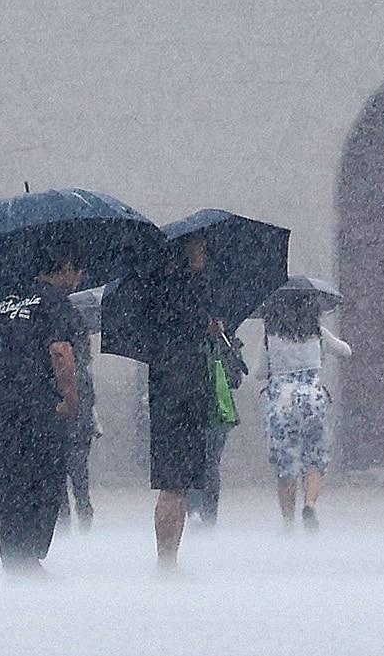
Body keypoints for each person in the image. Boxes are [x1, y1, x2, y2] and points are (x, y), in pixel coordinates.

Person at [0, 247, 84, 573]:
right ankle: (31, 557)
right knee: (43, 485)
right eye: (78, 270)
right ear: (65, 265)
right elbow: (61, 352)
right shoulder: (57, 303)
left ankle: (14, 560)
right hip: (41, 413)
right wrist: (70, 398)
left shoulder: (5, 303)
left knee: (8, 488)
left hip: (1, 412)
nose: (79, 279)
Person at [146, 235, 220, 569]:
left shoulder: (161, 289)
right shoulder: (186, 290)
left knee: (175, 485)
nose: (205, 254)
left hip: (167, 389)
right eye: (202, 248)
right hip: (183, 393)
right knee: (175, 485)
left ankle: (169, 559)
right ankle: (166, 561)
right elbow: (191, 327)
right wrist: (208, 326)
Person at [260, 298, 352, 531]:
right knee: (315, 458)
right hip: (312, 398)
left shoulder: (270, 337)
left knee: (285, 463)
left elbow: (260, 372)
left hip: (281, 402)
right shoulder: (317, 333)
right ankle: (309, 504)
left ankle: (288, 522)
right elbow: (345, 351)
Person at [186, 330, 247, 527]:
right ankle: (204, 513)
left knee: (200, 461)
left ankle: (199, 510)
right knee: (209, 464)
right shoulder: (222, 337)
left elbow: (235, 379)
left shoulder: (224, 338)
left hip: (209, 409)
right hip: (214, 410)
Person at [58, 322, 100, 532]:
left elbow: (87, 398)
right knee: (78, 479)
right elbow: (90, 398)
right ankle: (81, 517)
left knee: (68, 480)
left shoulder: (73, 369)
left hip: (71, 427)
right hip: (77, 428)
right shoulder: (82, 369)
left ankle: (70, 521)